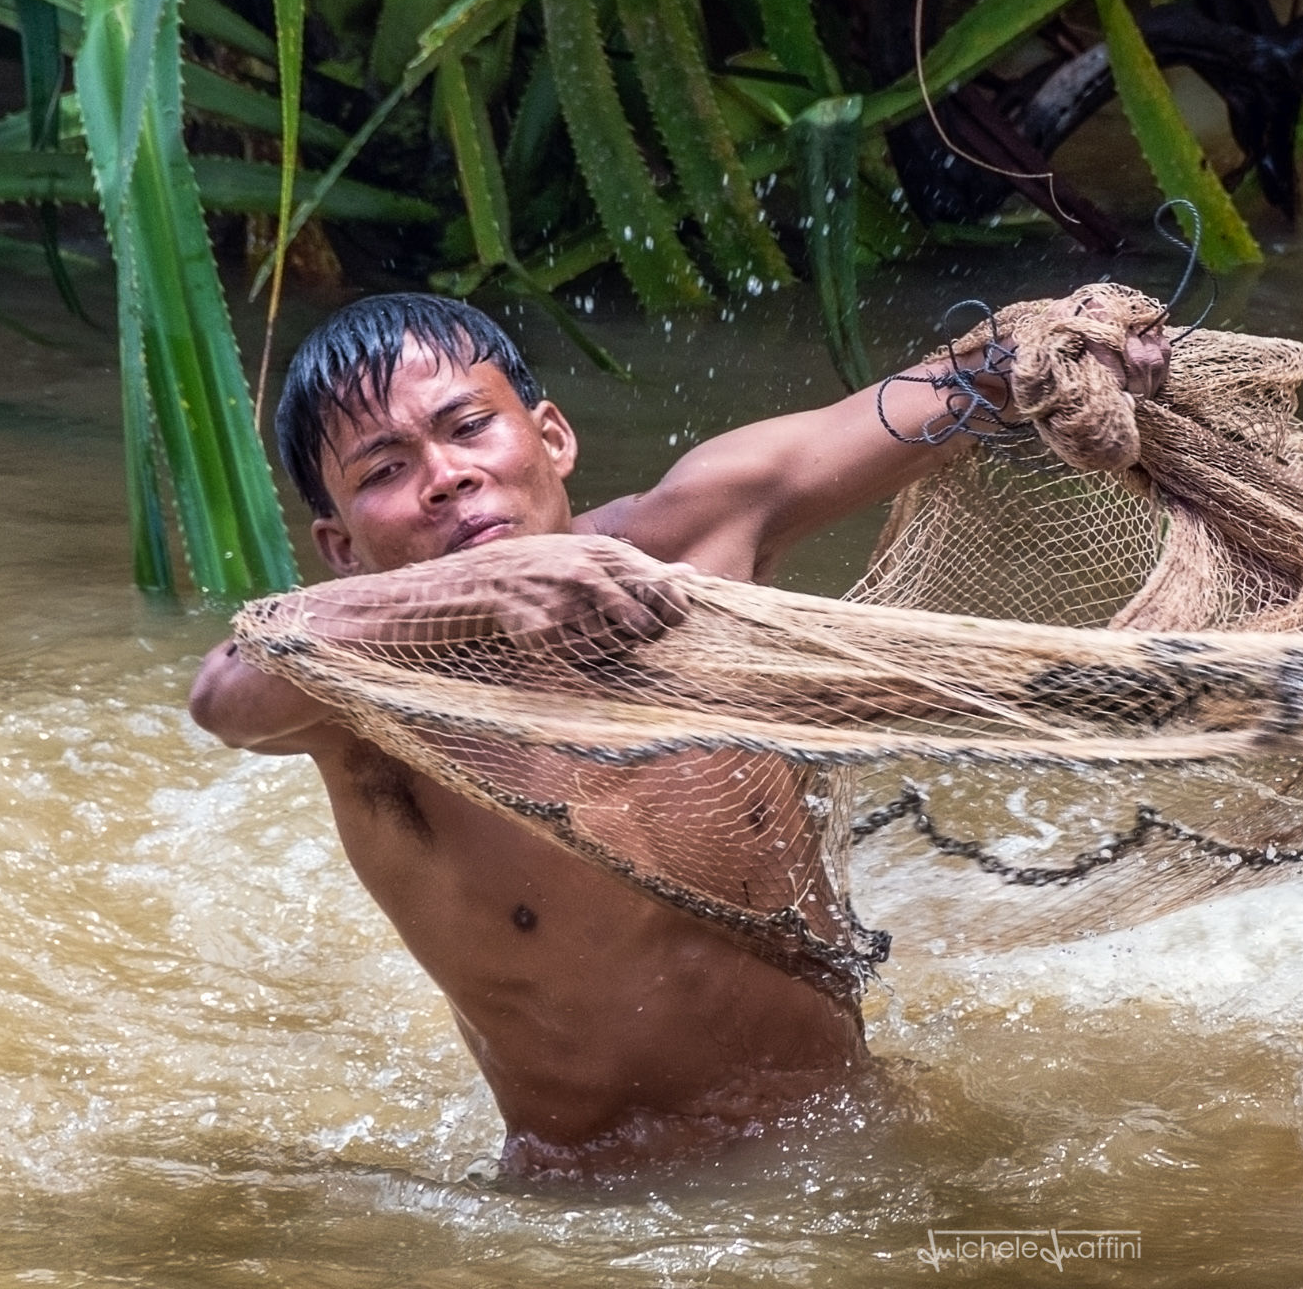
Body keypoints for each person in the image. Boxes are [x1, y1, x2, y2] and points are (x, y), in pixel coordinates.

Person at [189, 291, 1167, 1177]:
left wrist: (1070, 347)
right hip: (597, 1219)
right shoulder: (361, 698)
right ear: (338, 546)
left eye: (468, 427)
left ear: (552, 437)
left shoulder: (699, 541)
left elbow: (954, 389)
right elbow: (224, 696)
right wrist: (473, 587)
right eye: (387, 470)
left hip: (855, 1135)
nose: (445, 477)